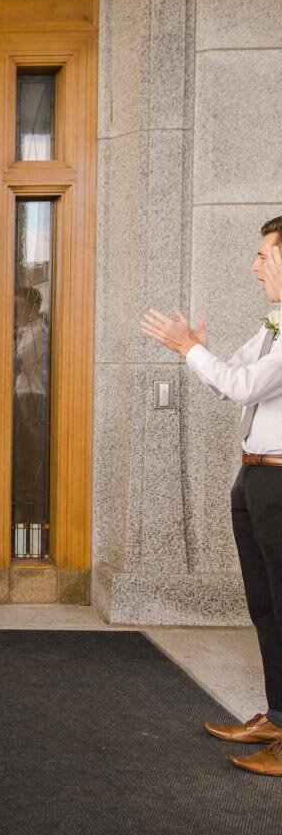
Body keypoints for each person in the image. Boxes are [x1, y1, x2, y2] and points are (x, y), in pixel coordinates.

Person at [142, 216, 282, 777]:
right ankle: (277, 716)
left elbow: (243, 385)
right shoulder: (272, 327)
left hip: (280, 480)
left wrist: (190, 351)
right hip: (256, 478)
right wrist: (197, 350)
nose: (254, 267)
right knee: (266, 609)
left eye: (263, 256)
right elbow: (230, 376)